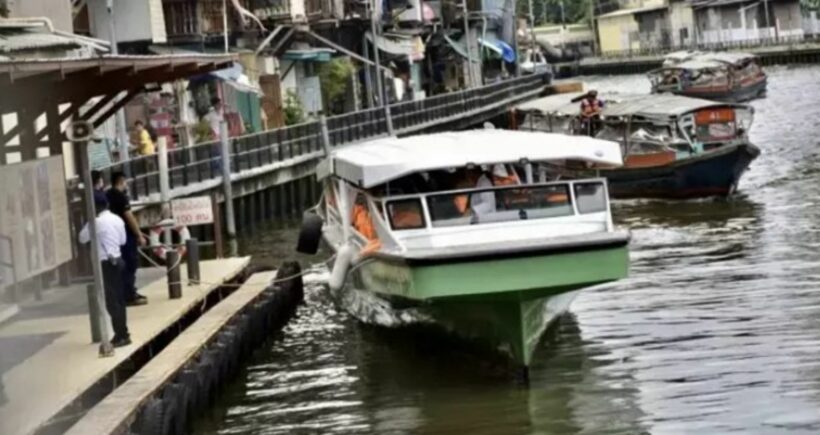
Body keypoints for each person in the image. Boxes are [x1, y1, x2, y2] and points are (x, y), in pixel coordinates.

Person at [79, 191, 131, 347]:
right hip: (119, 260)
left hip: (106, 264)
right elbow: (123, 240)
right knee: (120, 299)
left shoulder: (96, 222)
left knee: (111, 301)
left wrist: (89, 221)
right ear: (107, 204)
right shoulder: (117, 219)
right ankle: (123, 332)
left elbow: (82, 238)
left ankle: (121, 335)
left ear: (94, 207)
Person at [107, 172, 148, 306]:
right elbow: (129, 216)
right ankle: (129, 294)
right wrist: (139, 235)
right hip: (125, 235)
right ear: (121, 181)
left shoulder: (108, 195)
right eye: (125, 182)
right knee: (130, 264)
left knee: (119, 265)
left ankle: (124, 293)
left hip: (113, 236)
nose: (127, 185)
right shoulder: (121, 197)